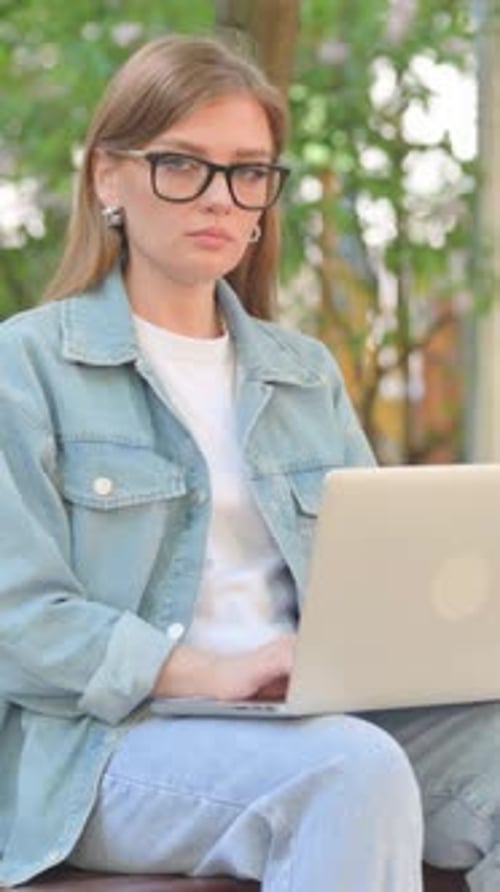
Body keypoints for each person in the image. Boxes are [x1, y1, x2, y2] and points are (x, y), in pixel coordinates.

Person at [0, 33, 426, 891]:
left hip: (309, 715)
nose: (220, 199)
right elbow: (20, 619)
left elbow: (376, 581)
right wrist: (212, 673)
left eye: (248, 172)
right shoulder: (27, 366)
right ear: (108, 178)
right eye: (182, 165)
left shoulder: (304, 373)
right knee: (348, 771)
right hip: (110, 746)